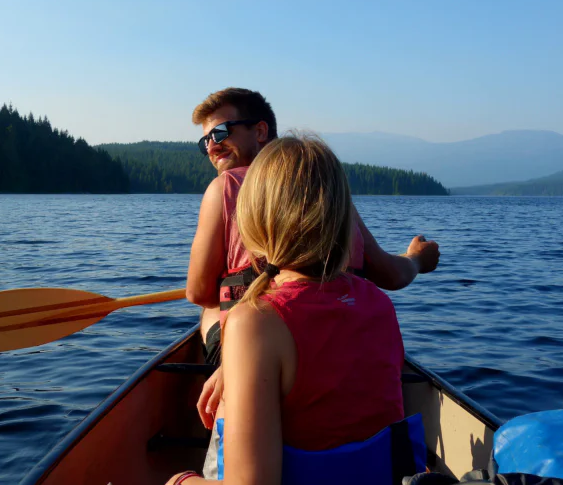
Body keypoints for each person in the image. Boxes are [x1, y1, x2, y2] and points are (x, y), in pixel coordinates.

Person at [166, 135, 408, 485]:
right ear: (341, 217)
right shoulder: (379, 304)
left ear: (253, 219)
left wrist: (179, 484)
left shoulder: (255, 321)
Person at [186, 87, 440, 418]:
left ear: (260, 131)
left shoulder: (225, 187)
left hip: (260, 346)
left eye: (220, 132)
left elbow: (198, 292)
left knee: (209, 309)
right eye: (204, 140)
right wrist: (416, 259)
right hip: (341, 352)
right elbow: (391, 275)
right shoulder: (328, 190)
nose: (211, 145)